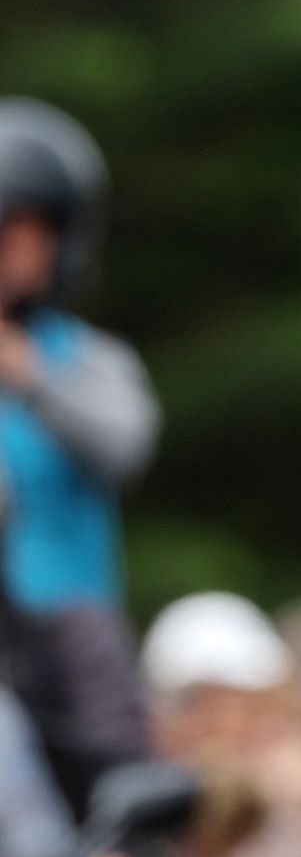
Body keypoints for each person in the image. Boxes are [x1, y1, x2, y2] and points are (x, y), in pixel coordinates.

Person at [0, 101, 160, 816]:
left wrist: (28, 373)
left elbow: (127, 439)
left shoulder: (84, 358)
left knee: (110, 806)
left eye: (32, 233)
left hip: (69, 641)